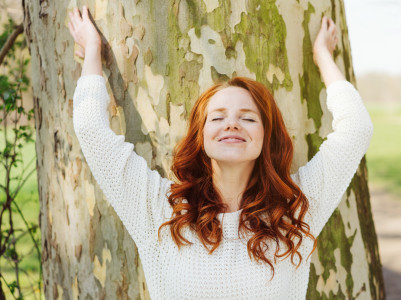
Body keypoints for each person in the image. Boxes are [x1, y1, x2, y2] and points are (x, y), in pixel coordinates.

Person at [68, 5, 373, 300]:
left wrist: (322, 57)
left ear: (266, 136)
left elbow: (356, 129)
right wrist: (93, 50)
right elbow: (91, 130)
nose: (231, 124)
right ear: (200, 137)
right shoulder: (159, 209)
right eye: (217, 117)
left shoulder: (294, 210)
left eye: (248, 117)